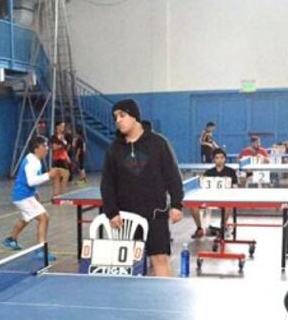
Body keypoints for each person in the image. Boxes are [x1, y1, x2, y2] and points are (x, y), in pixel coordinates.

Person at [100, 99, 184, 277]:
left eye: (122, 115)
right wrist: (111, 212)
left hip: (155, 213)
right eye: (115, 117)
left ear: (135, 117)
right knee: (128, 264)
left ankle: (163, 302)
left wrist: (176, 204)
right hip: (125, 217)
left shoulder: (158, 143)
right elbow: (107, 183)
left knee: (160, 259)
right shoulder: (114, 149)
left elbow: (173, 176)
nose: (118, 120)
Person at [2, 136, 60, 260]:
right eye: (44, 146)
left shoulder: (35, 160)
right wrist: (48, 175)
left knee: (26, 218)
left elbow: (30, 181)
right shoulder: (31, 161)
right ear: (36, 148)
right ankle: (40, 250)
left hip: (25, 195)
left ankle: (11, 239)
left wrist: (35, 192)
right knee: (44, 218)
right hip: (23, 196)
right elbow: (31, 181)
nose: (47, 149)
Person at [190, 148, 238, 239]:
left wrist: (232, 190)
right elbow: (202, 186)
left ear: (225, 159)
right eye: (217, 158)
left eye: (221, 157)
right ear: (214, 159)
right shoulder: (208, 172)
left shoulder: (231, 171)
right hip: (209, 199)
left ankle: (222, 228)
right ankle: (199, 228)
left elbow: (235, 186)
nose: (219, 160)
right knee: (193, 206)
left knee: (229, 206)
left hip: (224, 199)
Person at [50, 121, 73, 197]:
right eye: (61, 126)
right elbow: (54, 147)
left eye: (63, 126)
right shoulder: (54, 136)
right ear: (57, 127)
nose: (63, 128)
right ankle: (56, 193)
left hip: (63, 158)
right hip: (57, 159)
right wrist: (62, 143)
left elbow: (65, 149)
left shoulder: (64, 136)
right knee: (58, 176)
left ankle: (62, 193)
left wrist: (67, 157)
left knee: (65, 174)